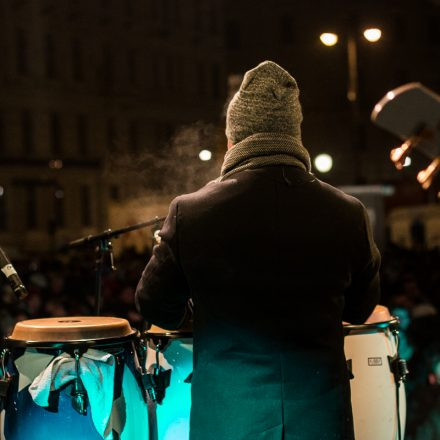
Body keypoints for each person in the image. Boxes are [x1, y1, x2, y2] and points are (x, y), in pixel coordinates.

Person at [135, 60, 381, 440]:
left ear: (233, 139)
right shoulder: (346, 212)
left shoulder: (191, 211)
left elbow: (157, 308)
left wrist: (199, 307)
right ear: (296, 135)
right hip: (319, 417)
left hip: (230, 418)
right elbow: (360, 308)